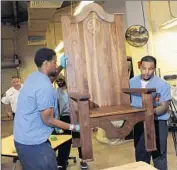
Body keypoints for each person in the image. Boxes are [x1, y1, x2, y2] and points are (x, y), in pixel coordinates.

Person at [13, 48, 80, 170]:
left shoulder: (34, 77)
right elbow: (48, 120)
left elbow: (48, 81)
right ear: (46, 63)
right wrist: (73, 127)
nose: (56, 64)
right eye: (55, 62)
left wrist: (60, 68)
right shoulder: (44, 87)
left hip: (24, 139)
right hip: (33, 144)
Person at [130, 56, 171, 170]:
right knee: (141, 155)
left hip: (158, 122)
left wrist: (150, 113)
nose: (147, 72)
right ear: (140, 67)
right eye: (144, 68)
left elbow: (164, 106)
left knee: (159, 156)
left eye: (150, 69)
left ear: (154, 68)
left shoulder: (162, 84)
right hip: (138, 123)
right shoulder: (132, 82)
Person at [53, 76, 88, 170]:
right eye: (57, 81)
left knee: (79, 139)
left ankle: (83, 160)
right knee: (65, 141)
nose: (59, 82)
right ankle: (61, 163)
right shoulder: (56, 92)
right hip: (64, 117)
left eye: (61, 80)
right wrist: (56, 120)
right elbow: (55, 107)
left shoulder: (73, 90)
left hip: (76, 116)